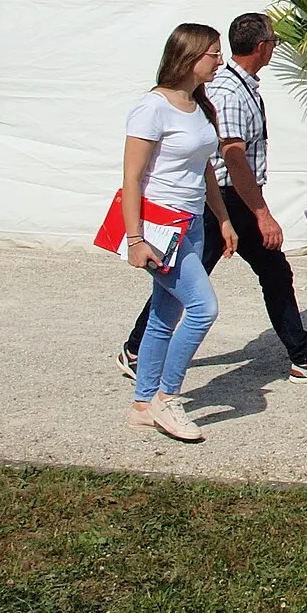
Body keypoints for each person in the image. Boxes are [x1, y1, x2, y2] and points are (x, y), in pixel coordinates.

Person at [119, 13, 307, 388]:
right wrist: (260, 213)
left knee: (267, 273)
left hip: (222, 204)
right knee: (192, 298)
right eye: (212, 54)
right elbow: (231, 156)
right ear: (263, 47)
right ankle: (152, 378)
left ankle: (302, 356)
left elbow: (212, 162)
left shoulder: (219, 94)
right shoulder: (225, 93)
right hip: (224, 202)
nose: (219, 59)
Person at [122, 23, 237, 443]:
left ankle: (142, 402)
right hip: (160, 227)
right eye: (213, 54)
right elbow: (132, 177)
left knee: (164, 315)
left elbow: (206, 168)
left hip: (192, 225)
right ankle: (166, 397)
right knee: (203, 309)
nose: (219, 61)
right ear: (189, 56)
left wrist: (222, 219)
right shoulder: (152, 108)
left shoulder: (198, 105)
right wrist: (135, 240)